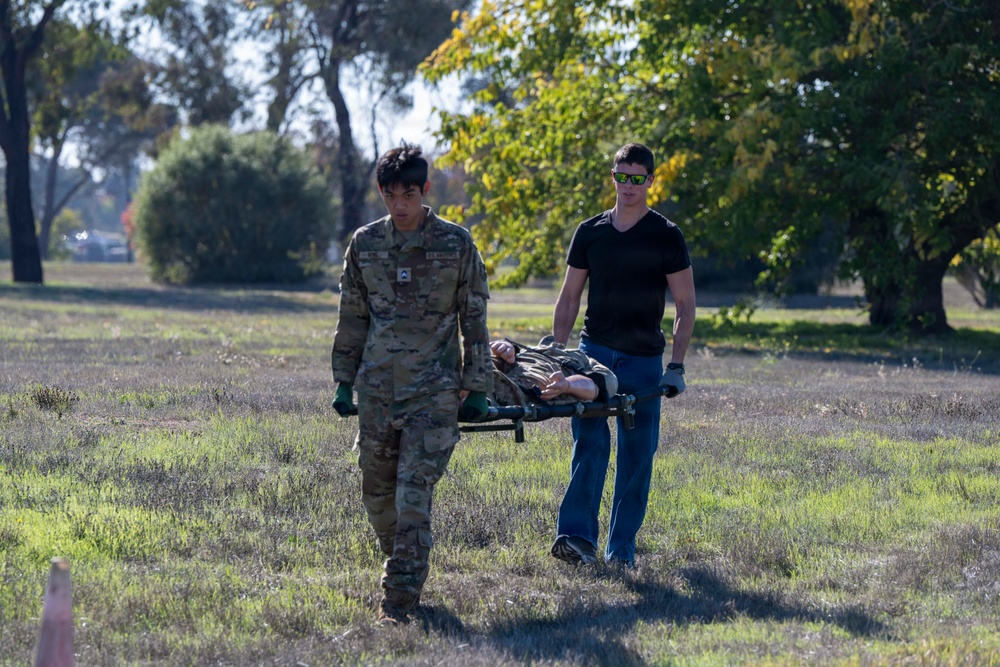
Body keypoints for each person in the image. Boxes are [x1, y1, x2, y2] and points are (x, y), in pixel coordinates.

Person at [330, 143, 493, 626]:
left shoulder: (456, 244)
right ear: (381, 193)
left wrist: (476, 384)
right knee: (377, 497)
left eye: (409, 194)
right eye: (390, 194)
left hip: (434, 391)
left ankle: (398, 602)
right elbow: (352, 316)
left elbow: (475, 317)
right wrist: (344, 381)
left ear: (425, 191)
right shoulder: (365, 244)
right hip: (378, 388)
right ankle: (403, 561)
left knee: (412, 495)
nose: (400, 204)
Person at [550, 142, 695, 568]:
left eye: (638, 178)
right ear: (613, 177)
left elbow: (685, 305)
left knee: (637, 456)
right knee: (589, 446)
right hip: (593, 354)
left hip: (643, 361)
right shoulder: (590, 232)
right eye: (622, 177)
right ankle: (577, 540)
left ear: (650, 181)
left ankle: (621, 552)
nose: (629, 186)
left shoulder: (667, 235)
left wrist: (676, 367)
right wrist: (559, 355)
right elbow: (569, 297)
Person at [488, 336, 618, 407]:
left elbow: (605, 384)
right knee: (478, 364)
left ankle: (476, 393)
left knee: (526, 386)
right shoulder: (530, 350)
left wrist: (568, 385)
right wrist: (506, 347)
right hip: (511, 363)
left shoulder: (582, 359)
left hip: (538, 380)